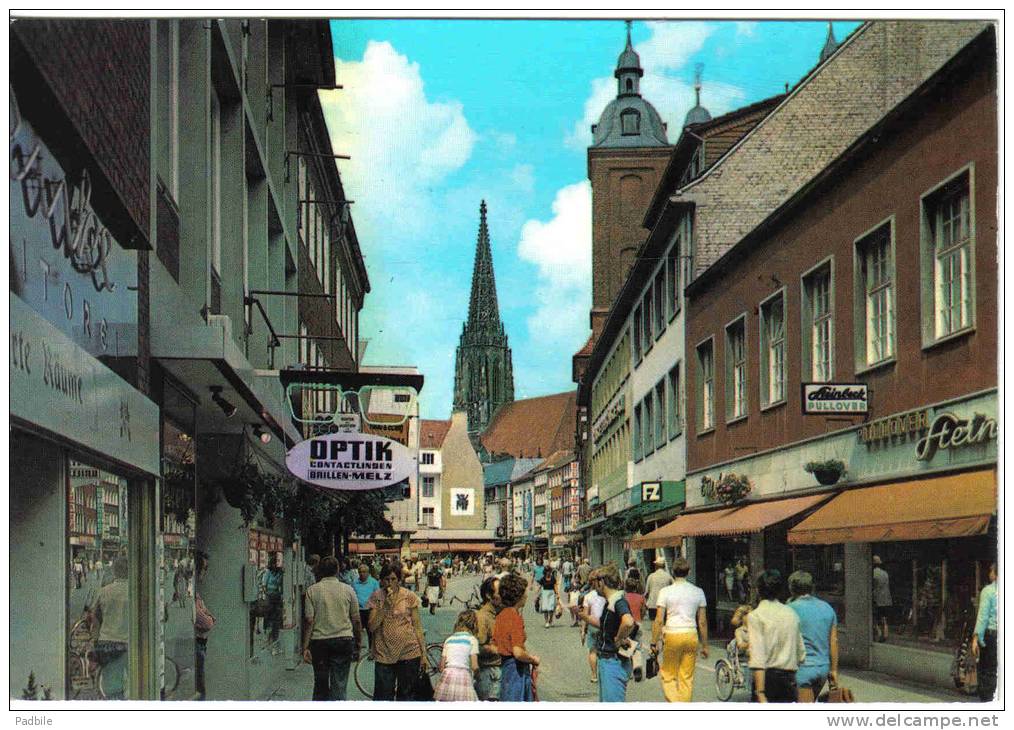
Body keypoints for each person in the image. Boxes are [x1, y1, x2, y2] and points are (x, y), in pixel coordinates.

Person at [302, 556, 362, 701]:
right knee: (339, 684)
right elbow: (356, 620)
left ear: (320, 571)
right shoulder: (348, 590)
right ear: (337, 570)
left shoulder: (312, 591)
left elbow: (309, 620)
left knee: (320, 683)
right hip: (343, 640)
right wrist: (358, 642)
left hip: (320, 642)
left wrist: (305, 647)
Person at [367, 562, 429, 701]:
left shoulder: (409, 596)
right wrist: (385, 607)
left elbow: (417, 626)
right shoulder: (376, 597)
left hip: (408, 652)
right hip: (384, 654)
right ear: (382, 580)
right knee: (383, 696)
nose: (390, 583)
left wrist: (423, 654)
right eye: (387, 579)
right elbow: (371, 627)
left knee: (406, 696)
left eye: (393, 579)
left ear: (399, 579)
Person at [652, 557, 708, 702]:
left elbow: (659, 620)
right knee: (687, 677)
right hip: (691, 634)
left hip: (672, 633)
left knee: (668, 675)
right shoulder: (698, 591)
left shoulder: (665, 592)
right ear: (688, 572)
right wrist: (705, 645)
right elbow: (702, 622)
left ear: (672, 572)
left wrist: (654, 641)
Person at [748, 569, 806, 703]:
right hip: (789, 681)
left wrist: (760, 692)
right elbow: (801, 654)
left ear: (758, 590)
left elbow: (758, 658)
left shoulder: (756, 616)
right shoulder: (791, 614)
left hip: (767, 681)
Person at [588, 564, 637, 702]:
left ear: (602, 582)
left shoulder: (618, 601)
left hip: (613, 662)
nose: (593, 587)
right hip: (608, 661)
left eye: (594, 583)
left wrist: (619, 638)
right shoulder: (612, 601)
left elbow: (628, 621)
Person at [787, 570, 838, 702]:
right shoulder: (827, 608)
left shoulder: (788, 609)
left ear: (791, 588)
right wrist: (834, 671)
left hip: (801, 670)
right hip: (822, 668)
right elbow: (833, 642)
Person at [494, 573, 539, 702]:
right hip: (516, 669)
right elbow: (518, 652)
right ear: (518, 595)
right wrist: (532, 659)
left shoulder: (501, 615)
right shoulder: (515, 618)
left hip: (505, 667)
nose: (526, 595)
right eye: (525, 592)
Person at [91, 557, 130, 699]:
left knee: (112, 687)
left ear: (114, 571)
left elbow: (95, 619)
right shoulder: (135, 592)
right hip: (129, 643)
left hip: (107, 642)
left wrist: (95, 642)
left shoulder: (103, 591)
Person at [435, 610, 480, 701]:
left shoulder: (448, 640)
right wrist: (478, 676)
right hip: (463, 676)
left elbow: (441, 667)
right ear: (473, 624)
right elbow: (475, 666)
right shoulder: (472, 640)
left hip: (447, 676)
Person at [971, 562, 998, 702]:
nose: (989, 573)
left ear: (996, 574)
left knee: (987, 670)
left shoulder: (988, 591)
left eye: (991, 571)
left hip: (992, 635)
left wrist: (976, 638)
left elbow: (982, 617)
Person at [474, 576, 502, 700]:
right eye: (500, 592)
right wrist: (496, 649)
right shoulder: (482, 617)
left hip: (499, 672)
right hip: (489, 675)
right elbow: (477, 647)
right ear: (488, 595)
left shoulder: (499, 613)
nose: (504, 595)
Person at [193, 551, 215, 700]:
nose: (205, 572)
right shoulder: (192, 593)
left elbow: (208, 615)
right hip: (196, 644)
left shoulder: (197, 593)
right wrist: (208, 617)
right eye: (204, 568)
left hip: (200, 643)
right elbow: (207, 621)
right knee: (199, 688)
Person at [579, 570, 607, 684]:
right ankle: (605, 676)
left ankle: (594, 675)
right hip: (605, 625)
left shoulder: (588, 596)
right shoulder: (606, 594)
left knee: (593, 651)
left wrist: (582, 631)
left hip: (592, 626)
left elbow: (585, 616)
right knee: (605, 652)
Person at [352, 563, 381, 652]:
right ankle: (357, 651)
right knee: (357, 632)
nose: (362, 574)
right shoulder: (354, 583)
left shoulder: (374, 582)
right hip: (358, 611)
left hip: (370, 610)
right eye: (360, 572)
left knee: (371, 631)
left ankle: (372, 650)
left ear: (368, 573)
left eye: (364, 572)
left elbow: (378, 596)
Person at [261, 554, 285, 649]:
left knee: (276, 618)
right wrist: (265, 594)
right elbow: (264, 584)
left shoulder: (280, 573)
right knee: (268, 616)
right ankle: (267, 635)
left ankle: (275, 637)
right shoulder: (268, 572)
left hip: (277, 596)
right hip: (270, 596)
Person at [644, 557, 673, 623]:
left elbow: (646, 592)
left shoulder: (651, 576)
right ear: (664, 566)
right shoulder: (668, 576)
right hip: (664, 605)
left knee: (654, 626)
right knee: (664, 625)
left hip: (652, 605)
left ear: (656, 566)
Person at [872, 556, 892, 642]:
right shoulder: (885, 573)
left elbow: (873, 587)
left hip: (877, 598)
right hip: (886, 598)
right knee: (884, 616)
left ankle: (879, 632)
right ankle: (886, 633)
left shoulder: (873, 573)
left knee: (875, 616)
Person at [538, 560, 561, 628]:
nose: (548, 572)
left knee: (551, 608)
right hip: (545, 593)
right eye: (547, 571)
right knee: (545, 608)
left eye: (549, 571)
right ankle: (546, 622)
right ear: (545, 572)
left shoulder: (553, 578)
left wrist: (557, 594)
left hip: (551, 593)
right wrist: (537, 595)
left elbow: (555, 586)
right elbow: (540, 586)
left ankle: (550, 620)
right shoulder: (542, 579)